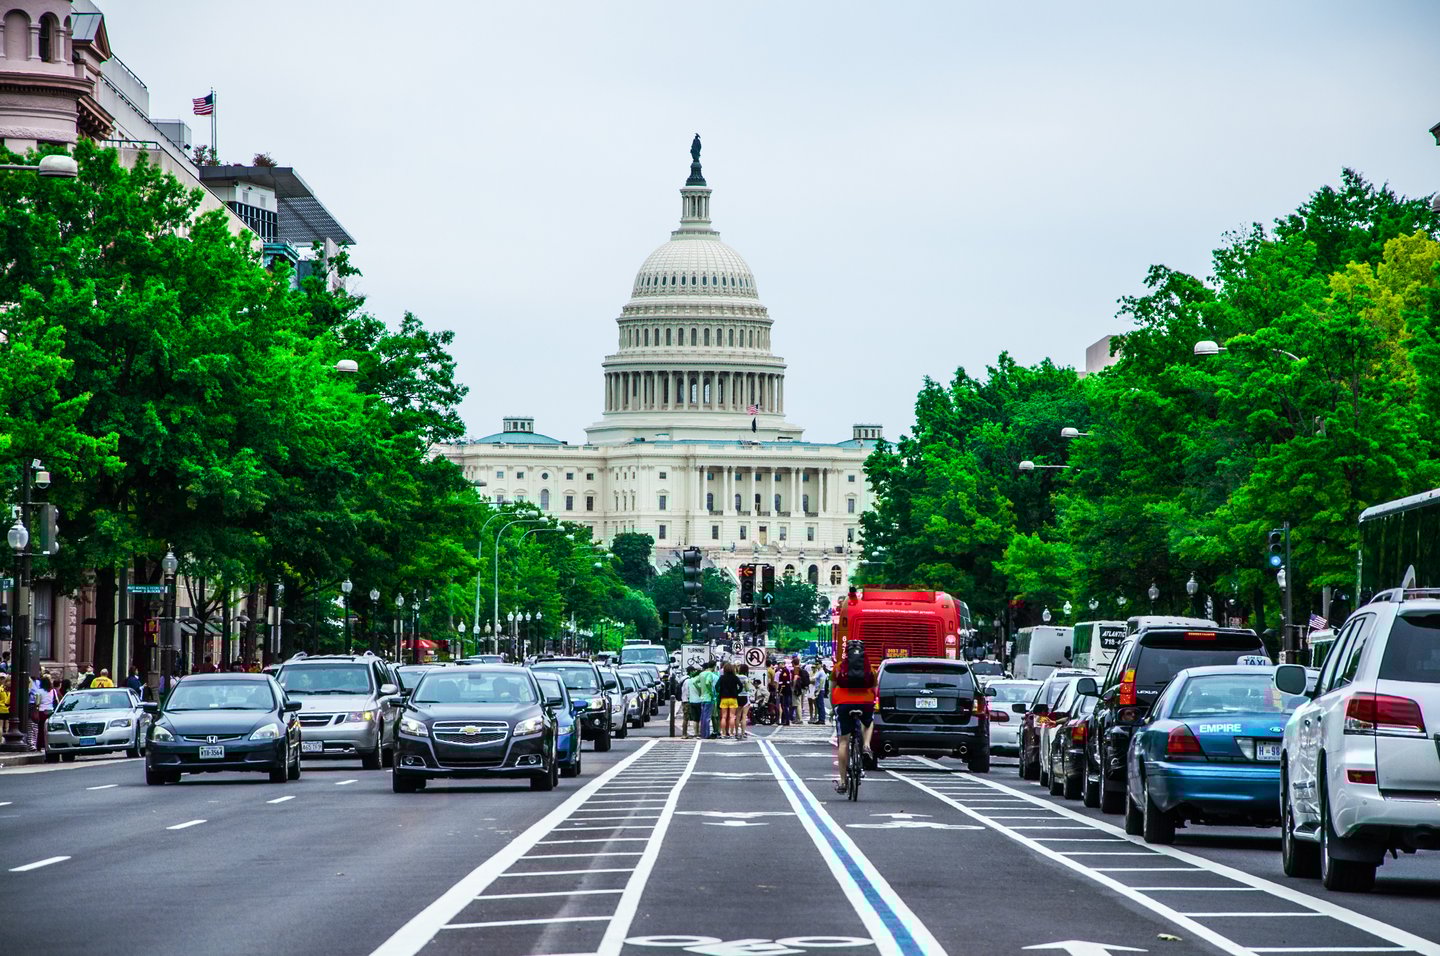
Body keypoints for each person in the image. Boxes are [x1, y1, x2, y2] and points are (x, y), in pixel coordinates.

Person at [832, 641, 877, 794]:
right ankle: (866, 746)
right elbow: (875, 690)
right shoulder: (870, 669)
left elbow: (831, 690)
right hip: (865, 704)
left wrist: (834, 708)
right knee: (869, 722)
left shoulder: (838, 668)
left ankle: (843, 782)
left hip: (844, 704)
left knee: (843, 742)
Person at [715, 662, 742, 738]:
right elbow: (741, 686)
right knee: (732, 716)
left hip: (724, 698)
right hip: (733, 698)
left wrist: (720, 692)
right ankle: (731, 733)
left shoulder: (722, 677)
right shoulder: (735, 677)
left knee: (723, 716)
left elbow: (716, 686)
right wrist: (737, 692)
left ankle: (723, 733)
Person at [695, 660, 718, 740]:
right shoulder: (710, 674)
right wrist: (711, 692)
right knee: (707, 717)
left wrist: (700, 689)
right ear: (714, 666)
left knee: (703, 717)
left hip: (702, 697)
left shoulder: (701, 674)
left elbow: (695, 682)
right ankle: (706, 734)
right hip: (709, 697)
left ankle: (702, 733)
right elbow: (708, 683)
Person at [679, 666, 700, 738]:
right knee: (686, 717)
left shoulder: (683, 679)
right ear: (691, 671)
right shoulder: (688, 680)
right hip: (687, 700)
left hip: (684, 699)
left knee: (686, 717)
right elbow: (688, 690)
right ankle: (684, 734)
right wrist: (689, 698)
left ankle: (685, 733)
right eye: (693, 671)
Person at [736, 663, 751, 737]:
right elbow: (747, 688)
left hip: (738, 696)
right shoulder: (745, 678)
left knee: (738, 715)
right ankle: (743, 733)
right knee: (744, 716)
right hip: (745, 696)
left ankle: (736, 732)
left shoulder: (736, 677)